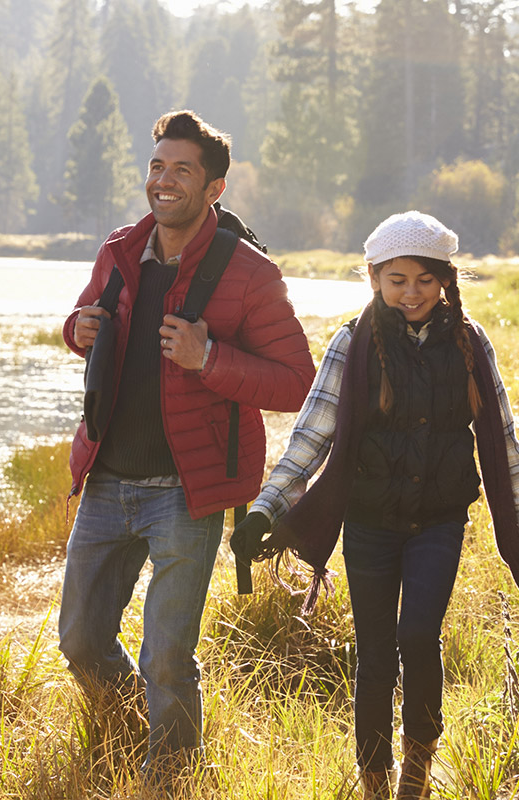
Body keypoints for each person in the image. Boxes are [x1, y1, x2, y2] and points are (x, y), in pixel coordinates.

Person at [232, 212, 519, 800]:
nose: (412, 292)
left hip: (438, 522)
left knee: (419, 636)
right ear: (374, 277)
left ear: (446, 279)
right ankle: (375, 779)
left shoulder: (469, 343)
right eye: (398, 279)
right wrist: (267, 509)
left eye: (425, 280)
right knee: (373, 654)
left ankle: (418, 768)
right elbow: (312, 435)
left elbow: (502, 439)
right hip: (368, 523)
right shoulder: (353, 341)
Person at [58, 110, 315, 781]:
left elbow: (298, 383)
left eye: (182, 171)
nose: (163, 181)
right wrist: (75, 329)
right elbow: (85, 319)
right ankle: (124, 731)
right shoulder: (119, 250)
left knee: (166, 655)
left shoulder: (252, 275)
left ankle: (169, 776)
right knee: (81, 640)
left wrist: (210, 360)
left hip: (188, 492)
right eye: (156, 166)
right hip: (108, 479)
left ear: (215, 188)